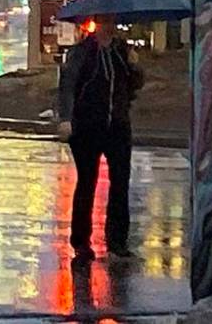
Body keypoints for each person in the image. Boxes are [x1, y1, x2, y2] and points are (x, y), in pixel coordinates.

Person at [58, 14, 144, 261]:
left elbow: (135, 84)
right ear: (96, 25)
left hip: (117, 126)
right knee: (87, 182)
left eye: (112, 23)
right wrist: (66, 118)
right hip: (87, 127)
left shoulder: (121, 51)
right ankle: (81, 243)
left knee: (120, 183)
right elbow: (68, 85)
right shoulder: (83, 52)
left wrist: (134, 65)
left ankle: (117, 242)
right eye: (104, 23)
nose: (109, 27)